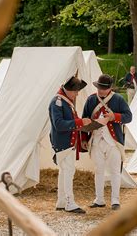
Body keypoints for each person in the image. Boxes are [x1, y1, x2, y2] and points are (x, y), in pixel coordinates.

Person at [81, 74, 132, 211]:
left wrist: (114, 117)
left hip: (113, 142)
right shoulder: (91, 99)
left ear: (109, 88)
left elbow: (129, 117)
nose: (100, 91)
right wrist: (84, 139)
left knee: (115, 171)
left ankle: (115, 201)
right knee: (99, 171)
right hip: (96, 141)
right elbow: (84, 119)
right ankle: (99, 200)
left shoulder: (119, 99)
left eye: (103, 88)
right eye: (99, 88)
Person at [48, 74, 91, 214]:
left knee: (65, 172)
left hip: (68, 143)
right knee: (68, 172)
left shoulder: (66, 101)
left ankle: (61, 201)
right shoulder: (58, 102)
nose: (77, 93)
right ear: (68, 89)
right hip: (63, 143)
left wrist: (83, 123)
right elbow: (59, 125)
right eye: (76, 91)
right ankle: (69, 202)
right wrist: (79, 122)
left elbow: (71, 121)